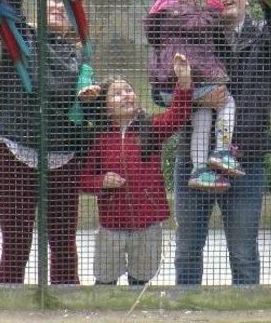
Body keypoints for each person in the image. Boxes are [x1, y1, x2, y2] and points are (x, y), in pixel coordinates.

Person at [173, 0, 271, 286]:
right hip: (194, 159)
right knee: (187, 250)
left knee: (243, 252)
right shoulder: (192, 36)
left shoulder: (266, 36)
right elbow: (163, 93)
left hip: (247, 159)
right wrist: (196, 97)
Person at [0, 0, 94, 285]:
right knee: (16, 245)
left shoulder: (82, 55)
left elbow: (87, 117)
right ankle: (7, 308)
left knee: (64, 245)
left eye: (64, 1)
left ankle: (67, 307)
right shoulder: (20, 37)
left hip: (63, 159)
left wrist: (96, 100)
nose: (57, 4)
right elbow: (4, 6)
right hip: (15, 153)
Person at [78, 54, 193, 286]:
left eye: (129, 90)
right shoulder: (97, 137)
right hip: (111, 225)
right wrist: (102, 181)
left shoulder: (151, 128)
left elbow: (178, 114)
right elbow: (82, 180)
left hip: (148, 222)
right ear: (105, 107)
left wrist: (184, 83)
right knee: (105, 278)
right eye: (117, 93)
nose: (126, 95)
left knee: (141, 279)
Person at [145, 0, 240, 192]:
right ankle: (223, 150)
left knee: (203, 117)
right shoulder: (174, 10)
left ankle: (200, 170)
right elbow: (200, 24)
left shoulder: (162, 10)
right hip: (181, 83)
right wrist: (214, 7)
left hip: (176, 86)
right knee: (227, 102)